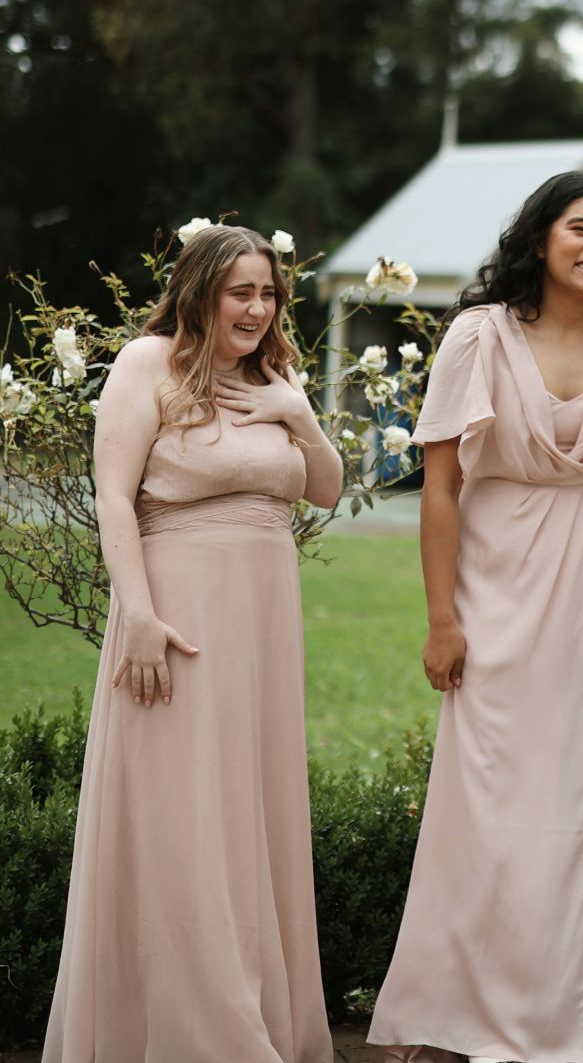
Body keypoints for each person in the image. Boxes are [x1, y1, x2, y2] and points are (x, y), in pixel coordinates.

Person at [368, 171, 583, 1062]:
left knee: (571, 798)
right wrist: (441, 618)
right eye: (580, 228)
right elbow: (440, 486)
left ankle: (550, 1014)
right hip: (493, 584)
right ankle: (456, 1010)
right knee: (486, 800)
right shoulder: (478, 334)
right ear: (540, 238)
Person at [43, 224, 341, 1061]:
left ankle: (259, 1010)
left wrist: (298, 413)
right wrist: (135, 611)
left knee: (252, 808)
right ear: (200, 290)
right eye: (239, 291)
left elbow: (324, 489)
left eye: (268, 293)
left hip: (263, 621)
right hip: (178, 611)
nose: (256, 307)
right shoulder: (149, 365)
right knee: (183, 810)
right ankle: (193, 1031)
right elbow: (111, 497)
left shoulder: (274, 377)